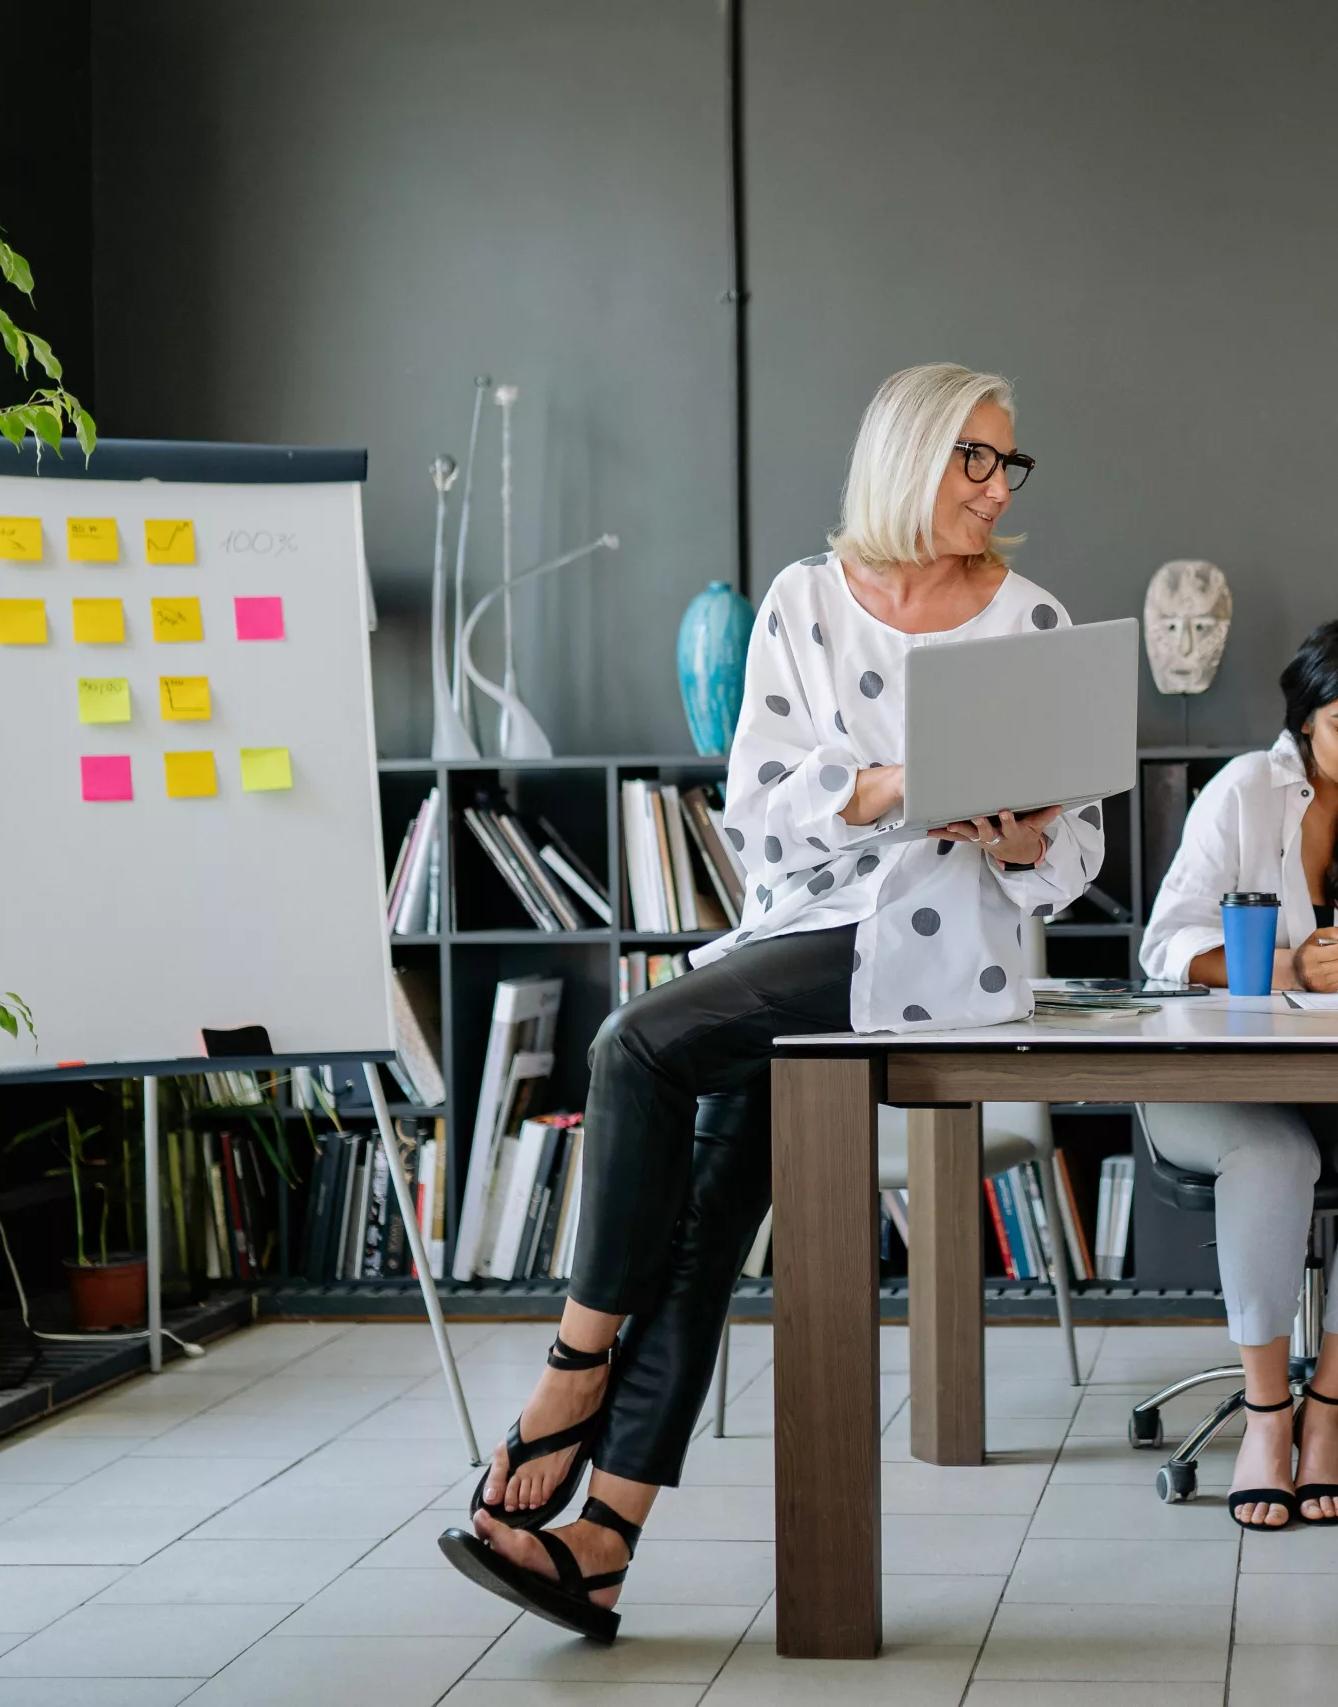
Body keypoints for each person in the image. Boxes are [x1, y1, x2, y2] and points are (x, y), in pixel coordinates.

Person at [439, 363, 1105, 1638]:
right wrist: (893, 786)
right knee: (699, 1219)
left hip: (945, 949)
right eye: (976, 457)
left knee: (636, 1041)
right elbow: (758, 809)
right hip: (804, 930)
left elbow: (1074, 859)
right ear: (908, 455)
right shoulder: (806, 600)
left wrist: (1019, 840)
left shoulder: (1030, 619)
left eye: (1008, 464)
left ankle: (573, 1370)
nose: (997, 486)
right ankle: (605, 1541)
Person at [1137, 620, 1338, 1528]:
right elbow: (1165, 945)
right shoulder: (1245, 789)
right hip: (1223, 1088)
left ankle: (1326, 1409)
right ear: (1305, 722)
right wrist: (1284, 970)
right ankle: (1264, 1415)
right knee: (1274, 1155)